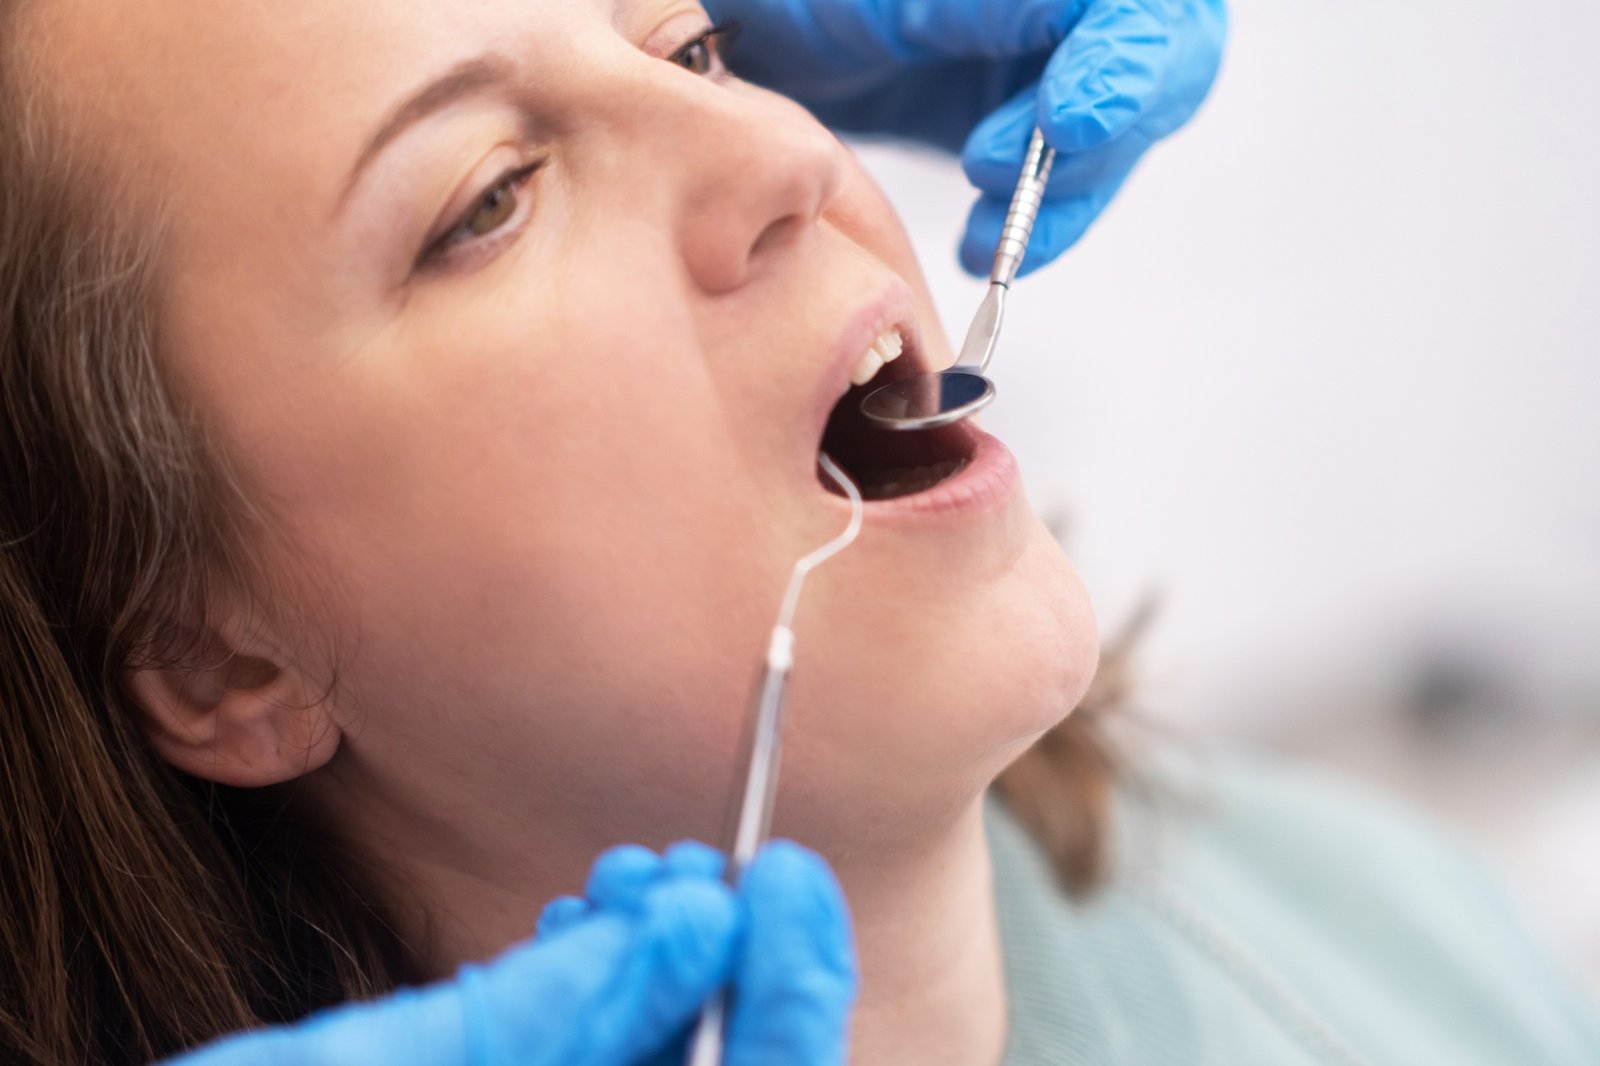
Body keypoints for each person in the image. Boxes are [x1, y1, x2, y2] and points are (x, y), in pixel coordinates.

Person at [0, 1, 1594, 1065]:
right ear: (220, 654)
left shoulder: (1400, 926)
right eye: (486, 198)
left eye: (687, 46)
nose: (786, 153)